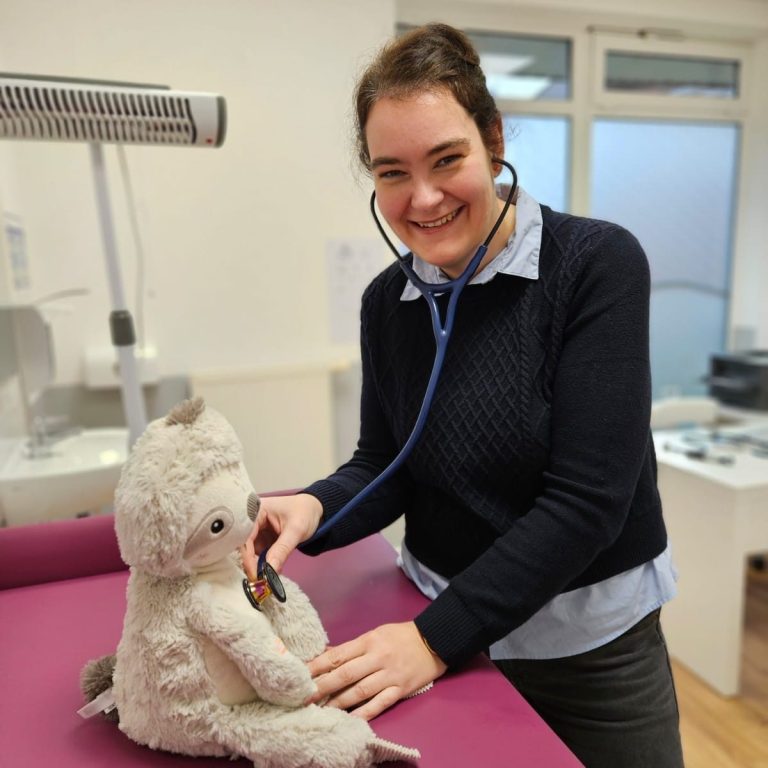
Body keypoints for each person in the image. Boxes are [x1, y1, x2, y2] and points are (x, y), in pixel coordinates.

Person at [242, 22, 684, 768]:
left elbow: (588, 503)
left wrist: (431, 639)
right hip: (437, 624)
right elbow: (387, 463)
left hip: (587, 650)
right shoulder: (388, 302)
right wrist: (312, 508)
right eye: (392, 172)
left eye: (447, 159)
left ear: (494, 139)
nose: (423, 198)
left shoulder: (594, 265)